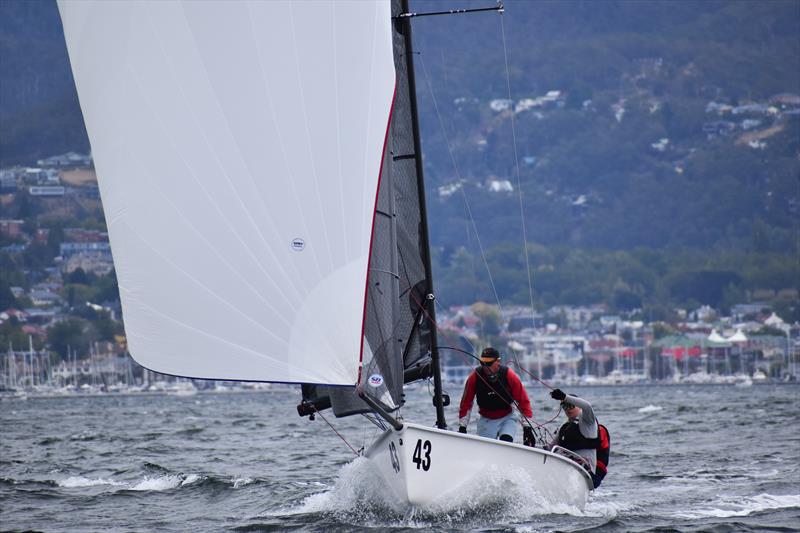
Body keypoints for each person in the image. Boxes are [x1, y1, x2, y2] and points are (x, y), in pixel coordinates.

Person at [458, 347, 534, 444]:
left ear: (498, 361)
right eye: (483, 363)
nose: (485, 367)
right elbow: (466, 403)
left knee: (506, 441)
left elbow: (523, 401)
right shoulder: (474, 377)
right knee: (487, 449)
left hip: (507, 417)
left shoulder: (509, 375)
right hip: (486, 420)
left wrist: (527, 428)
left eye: (489, 363)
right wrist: (462, 426)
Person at [549, 388, 606, 488]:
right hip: (565, 467)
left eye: (571, 405)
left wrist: (565, 397)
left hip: (584, 471)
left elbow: (587, 406)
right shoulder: (564, 427)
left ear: (578, 407)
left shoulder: (587, 421)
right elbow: (551, 447)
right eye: (565, 406)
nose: (568, 409)